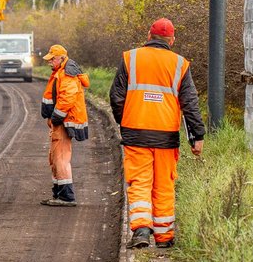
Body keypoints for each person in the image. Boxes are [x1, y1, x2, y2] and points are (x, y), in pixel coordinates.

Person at [108, 18, 205, 249]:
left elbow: (116, 96)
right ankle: (164, 237)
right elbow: (190, 103)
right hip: (166, 137)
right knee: (164, 185)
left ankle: (141, 230)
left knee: (140, 182)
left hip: (136, 134)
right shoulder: (180, 64)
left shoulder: (130, 58)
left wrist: (126, 121)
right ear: (172, 40)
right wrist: (197, 136)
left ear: (149, 36)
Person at [40, 44, 89, 206]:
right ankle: (59, 193)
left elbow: (67, 98)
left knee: (60, 156)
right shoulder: (61, 72)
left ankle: (66, 196)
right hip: (60, 121)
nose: (49, 62)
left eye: (52, 59)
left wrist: (55, 118)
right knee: (55, 156)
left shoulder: (67, 74)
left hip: (62, 121)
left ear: (61, 58)